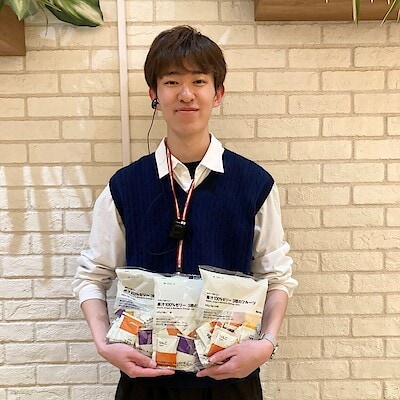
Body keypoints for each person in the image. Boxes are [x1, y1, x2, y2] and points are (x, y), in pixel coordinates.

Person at [73, 25, 297, 400]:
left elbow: (276, 277)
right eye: (172, 81)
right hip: (145, 382)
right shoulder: (124, 187)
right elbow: (92, 276)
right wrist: (103, 344)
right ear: (154, 95)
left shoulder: (254, 184)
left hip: (231, 382)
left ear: (218, 93)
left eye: (199, 81)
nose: (186, 94)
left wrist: (266, 344)